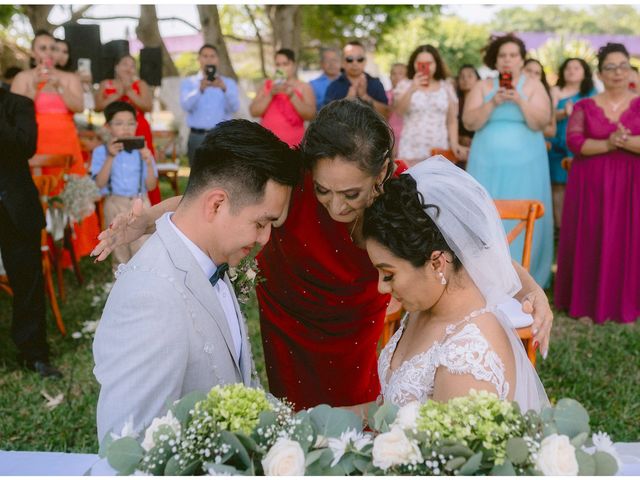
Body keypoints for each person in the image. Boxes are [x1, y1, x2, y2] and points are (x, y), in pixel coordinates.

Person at [90, 100, 554, 411]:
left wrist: (535, 291)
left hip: (355, 320)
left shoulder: (403, 190)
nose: (336, 206)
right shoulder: (295, 174)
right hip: (288, 315)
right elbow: (222, 200)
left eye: (352, 193)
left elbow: (465, 244)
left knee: (358, 413)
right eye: (325, 191)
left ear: (384, 173)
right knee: (291, 417)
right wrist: (148, 219)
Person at [93, 119, 301, 442]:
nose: (265, 238)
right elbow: (126, 446)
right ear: (216, 204)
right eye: (262, 222)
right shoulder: (151, 298)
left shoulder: (209, 258)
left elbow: (242, 387)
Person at [362, 156, 548, 411]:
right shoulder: (423, 308)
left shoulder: (468, 355)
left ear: (437, 263)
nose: (381, 288)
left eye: (389, 274)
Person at [555, 43, 640, 325]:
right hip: (590, 184)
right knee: (591, 235)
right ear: (600, 74)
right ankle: (585, 301)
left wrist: (624, 141)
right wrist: (608, 142)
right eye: (610, 67)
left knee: (628, 238)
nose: (617, 72)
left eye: (623, 65)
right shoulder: (585, 105)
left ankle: (627, 301)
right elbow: (574, 141)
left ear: (630, 69)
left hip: (632, 185)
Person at [463, 34, 553, 288]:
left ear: (521, 59)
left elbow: (541, 122)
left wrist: (519, 99)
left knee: (522, 216)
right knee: (485, 214)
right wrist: (494, 102)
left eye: (513, 55)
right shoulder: (483, 86)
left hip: (527, 166)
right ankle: (484, 279)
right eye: (503, 55)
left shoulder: (533, 84)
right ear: (495, 59)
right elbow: (469, 122)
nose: (507, 60)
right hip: (486, 164)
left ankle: (526, 276)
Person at [11, 29, 100, 260]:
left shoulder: (68, 77)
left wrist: (58, 85)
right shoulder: (22, 78)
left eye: (52, 48)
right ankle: (44, 246)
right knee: (41, 191)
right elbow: (15, 114)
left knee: (70, 189)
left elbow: (78, 107)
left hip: (66, 142)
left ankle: (76, 248)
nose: (48, 52)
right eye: (42, 48)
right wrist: (34, 86)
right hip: (37, 144)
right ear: (33, 52)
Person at [0, 87, 62, 378]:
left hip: (15, 207)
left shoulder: (18, 104)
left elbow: (26, 145)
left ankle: (33, 353)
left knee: (27, 284)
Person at [90, 101, 158, 270]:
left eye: (130, 123)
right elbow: (99, 183)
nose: (126, 128)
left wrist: (149, 162)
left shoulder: (144, 152)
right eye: (119, 123)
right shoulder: (101, 152)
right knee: (117, 246)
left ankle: (143, 284)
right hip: (114, 202)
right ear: (107, 127)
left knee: (143, 246)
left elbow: (151, 186)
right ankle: (119, 284)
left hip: (140, 203)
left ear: (136, 124)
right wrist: (110, 157)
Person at [95, 54, 161, 205]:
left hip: (138, 128)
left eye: (132, 65)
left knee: (143, 163)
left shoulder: (140, 84)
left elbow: (147, 106)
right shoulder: (106, 84)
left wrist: (129, 91)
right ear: (116, 67)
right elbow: (98, 107)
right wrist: (118, 94)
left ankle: (147, 202)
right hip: (115, 130)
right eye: (125, 64)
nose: (129, 68)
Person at [394, 45, 463, 166]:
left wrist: (454, 143)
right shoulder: (405, 85)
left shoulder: (446, 87)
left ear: (436, 64)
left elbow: (452, 120)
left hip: (439, 151)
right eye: (420, 63)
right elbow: (399, 111)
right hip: (410, 151)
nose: (425, 67)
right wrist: (412, 88)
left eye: (429, 63)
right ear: (414, 64)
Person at [548, 58, 597, 228]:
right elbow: (545, 116)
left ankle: (580, 227)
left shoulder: (591, 93)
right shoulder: (555, 91)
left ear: (585, 72)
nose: (571, 70)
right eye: (568, 67)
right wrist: (563, 113)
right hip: (555, 143)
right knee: (557, 186)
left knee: (581, 186)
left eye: (577, 68)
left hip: (580, 145)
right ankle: (560, 229)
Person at [180, 44, 240, 167]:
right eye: (205, 56)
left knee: (222, 176)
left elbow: (234, 107)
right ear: (199, 60)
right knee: (197, 178)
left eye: (212, 56)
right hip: (197, 137)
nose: (208, 59)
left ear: (218, 59)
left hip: (221, 137)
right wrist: (199, 90)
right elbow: (186, 106)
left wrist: (224, 89)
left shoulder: (228, 83)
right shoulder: (189, 83)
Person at [249, 48, 316, 147]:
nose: (281, 68)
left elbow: (311, 115)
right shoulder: (267, 85)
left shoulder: (304, 87)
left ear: (293, 65)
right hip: (267, 144)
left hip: (294, 145)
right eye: (278, 64)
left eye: (285, 64)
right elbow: (253, 112)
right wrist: (270, 95)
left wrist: (292, 96)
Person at [324, 41, 389, 117]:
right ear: (343, 63)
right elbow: (326, 118)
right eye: (349, 59)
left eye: (360, 59)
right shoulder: (334, 86)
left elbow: (386, 113)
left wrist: (364, 96)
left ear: (365, 61)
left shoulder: (375, 83)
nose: (355, 63)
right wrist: (347, 100)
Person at [456, 64, 481, 166]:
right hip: (458, 152)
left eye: (470, 76)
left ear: (478, 80)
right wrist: (460, 138)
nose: (465, 79)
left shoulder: (485, 103)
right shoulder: (455, 102)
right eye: (462, 77)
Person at [310, 47, 341, 111]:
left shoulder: (349, 83)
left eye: (334, 60)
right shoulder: (312, 85)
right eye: (327, 61)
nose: (331, 64)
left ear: (341, 62)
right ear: (321, 63)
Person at [386, 63, 407, 158]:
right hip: (391, 136)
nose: (396, 77)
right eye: (393, 74)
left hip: (407, 136)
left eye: (400, 73)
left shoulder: (411, 96)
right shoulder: (385, 95)